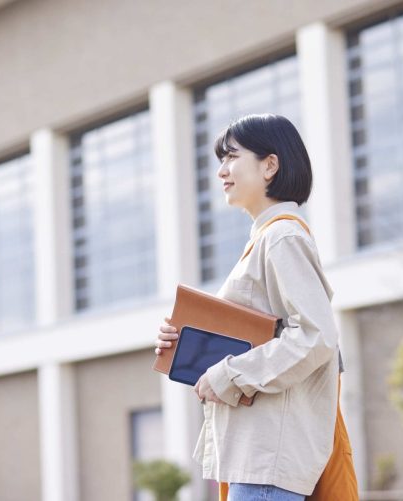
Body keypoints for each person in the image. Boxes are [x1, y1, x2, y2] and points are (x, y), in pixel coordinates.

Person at [155, 113, 343, 501]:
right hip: (260, 458)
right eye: (220, 160)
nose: (222, 171)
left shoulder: (281, 237)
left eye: (231, 157)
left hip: (267, 462)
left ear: (270, 165)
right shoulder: (267, 238)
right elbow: (261, 334)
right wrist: (183, 343)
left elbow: (316, 335)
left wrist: (227, 376)